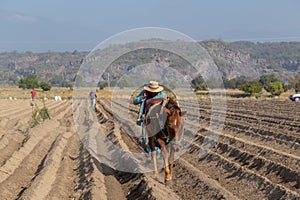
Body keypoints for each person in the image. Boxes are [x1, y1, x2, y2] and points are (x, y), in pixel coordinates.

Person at [133, 81, 166, 153]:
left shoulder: (162, 95)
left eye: (155, 91)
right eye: (152, 91)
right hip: (146, 119)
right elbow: (134, 101)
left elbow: (166, 105)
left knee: (160, 136)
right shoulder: (144, 93)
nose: (153, 92)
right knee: (145, 140)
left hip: (158, 119)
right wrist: (142, 97)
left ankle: (157, 153)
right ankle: (149, 152)